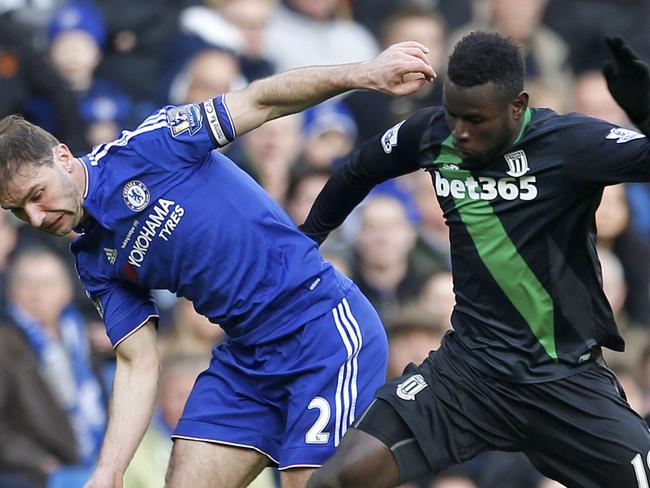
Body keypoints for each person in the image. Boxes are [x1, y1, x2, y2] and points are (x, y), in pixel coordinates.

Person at [0, 41, 434, 488]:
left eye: (36, 195)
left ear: (63, 158)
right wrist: (108, 474)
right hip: (247, 357)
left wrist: (364, 72)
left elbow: (262, 101)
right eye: (17, 211)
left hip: (320, 327)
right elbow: (137, 363)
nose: (35, 217)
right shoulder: (93, 259)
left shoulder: (150, 146)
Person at [303, 32, 650, 487]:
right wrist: (305, 245)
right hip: (468, 373)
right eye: (453, 114)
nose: (461, 131)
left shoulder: (571, 145)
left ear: (517, 105)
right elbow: (358, 169)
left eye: (476, 119)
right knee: (337, 480)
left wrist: (645, 113)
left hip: (564, 379)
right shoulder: (432, 134)